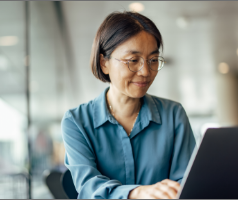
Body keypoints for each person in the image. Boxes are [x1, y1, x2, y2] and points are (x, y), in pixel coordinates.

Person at [61, 11, 196, 199]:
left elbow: (187, 184)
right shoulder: (76, 121)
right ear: (104, 62)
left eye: (153, 60)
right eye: (133, 60)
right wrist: (137, 193)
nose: (145, 72)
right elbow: (88, 187)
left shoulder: (173, 115)